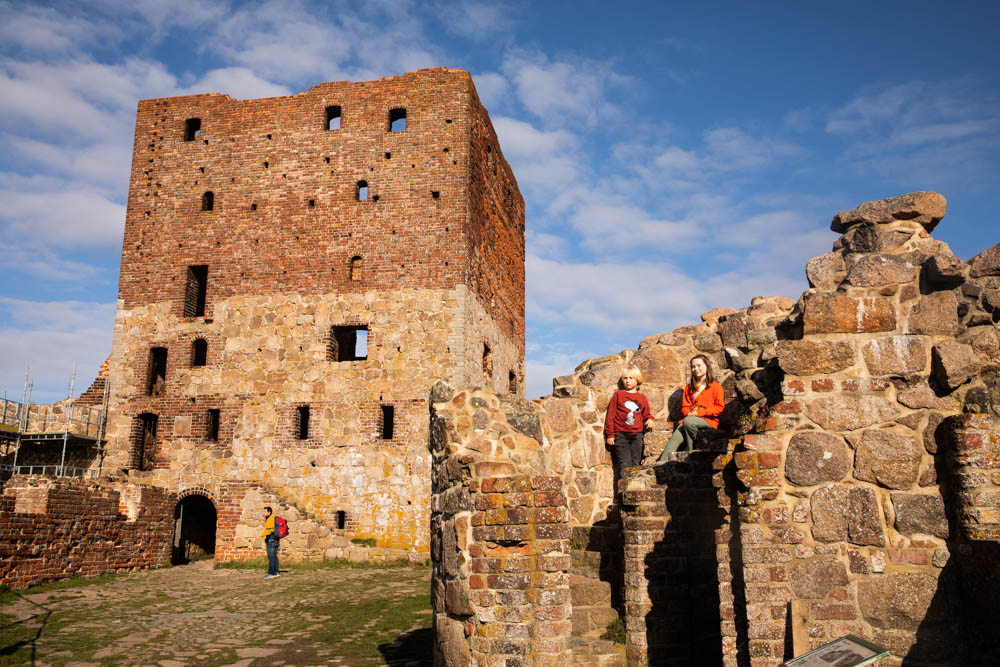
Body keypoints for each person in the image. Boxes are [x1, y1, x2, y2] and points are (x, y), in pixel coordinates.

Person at [658, 354, 724, 460]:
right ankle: (662, 462)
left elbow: (719, 408)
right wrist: (688, 413)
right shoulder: (689, 388)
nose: (695, 369)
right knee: (677, 434)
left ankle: (691, 451)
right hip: (690, 419)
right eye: (693, 366)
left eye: (699, 365)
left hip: (709, 421)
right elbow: (685, 407)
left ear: (706, 366)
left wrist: (699, 413)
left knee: (688, 422)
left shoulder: (716, 386)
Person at [604, 366, 655, 493]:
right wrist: (610, 434)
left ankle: (636, 489)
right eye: (625, 378)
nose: (627, 381)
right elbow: (610, 416)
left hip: (637, 435)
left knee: (636, 462)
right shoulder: (618, 395)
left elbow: (646, 413)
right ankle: (625, 491)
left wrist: (650, 419)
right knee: (624, 463)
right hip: (621, 435)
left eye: (631, 378)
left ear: (637, 380)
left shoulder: (641, 397)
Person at [262, 506, 280, 578]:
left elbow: (270, 530)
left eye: (265, 512)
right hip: (275, 540)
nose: (263, 513)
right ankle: (276, 572)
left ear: (269, 512)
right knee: (274, 556)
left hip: (271, 541)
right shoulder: (273, 519)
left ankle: (271, 573)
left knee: (271, 557)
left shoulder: (270, 519)